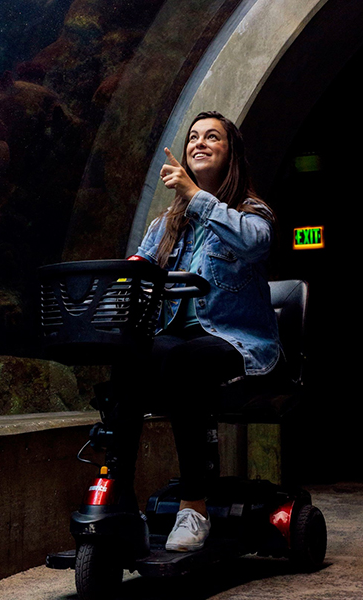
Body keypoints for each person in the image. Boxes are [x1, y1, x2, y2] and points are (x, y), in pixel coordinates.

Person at [106, 111, 281, 553]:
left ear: (230, 153)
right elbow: (140, 267)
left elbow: (255, 243)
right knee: (131, 356)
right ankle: (120, 500)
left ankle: (194, 506)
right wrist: (128, 274)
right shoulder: (166, 224)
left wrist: (194, 194)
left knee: (187, 359)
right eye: (194, 137)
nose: (199, 143)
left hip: (235, 340)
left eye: (212, 138)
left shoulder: (251, 213)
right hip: (175, 338)